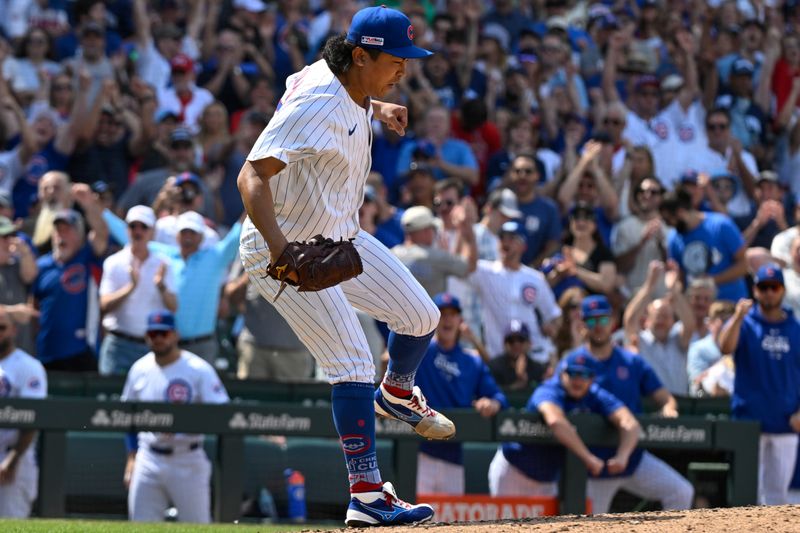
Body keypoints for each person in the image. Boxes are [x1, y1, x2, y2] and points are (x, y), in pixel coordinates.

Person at [237, 6, 452, 526]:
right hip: (285, 251)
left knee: (421, 317)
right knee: (352, 366)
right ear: (361, 55)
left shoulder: (332, 75)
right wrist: (280, 250)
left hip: (340, 235)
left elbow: (320, 94)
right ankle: (368, 497)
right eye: (396, 58)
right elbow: (250, 177)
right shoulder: (317, 101)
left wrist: (375, 105)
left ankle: (398, 392)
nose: (405, 67)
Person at [570, 295, 694, 514]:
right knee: (589, 524)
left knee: (681, 492)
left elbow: (664, 397)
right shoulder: (574, 363)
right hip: (594, 464)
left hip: (632, 458)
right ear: (582, 324)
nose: (598, 326)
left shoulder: (631, 361)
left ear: (612, 321)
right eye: (591, 321)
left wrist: (669, 408)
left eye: (603, 320)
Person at [122, 310, 229, 523]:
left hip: (187, 456)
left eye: (164, 333)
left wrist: (185, 424)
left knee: (197, 526)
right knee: (141, 526)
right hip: (148, 457)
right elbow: (128, 417)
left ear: (175, 335)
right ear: (146, 337)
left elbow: (222, 413)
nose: (159, 338)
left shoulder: (198, 369)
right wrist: (131, 458)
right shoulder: (139, 369)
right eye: (153, 334)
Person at [488, 351, 640, 499]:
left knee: (546, 526)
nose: (578, 380)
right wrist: (588, 458)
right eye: (573, 373)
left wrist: (623, 455)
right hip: (514, 471)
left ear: (593, 379)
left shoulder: (594, 394)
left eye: (585, 375)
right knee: (504, 524)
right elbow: (555, 421)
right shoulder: (549, 389)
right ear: (562, 374)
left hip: (548, 479)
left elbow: (629, 422)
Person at [718, 264, 800, 505]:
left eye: (774, 287)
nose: (769, 293)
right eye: (764, 287)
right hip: (749, 423)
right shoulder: (745, 323)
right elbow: (725, 348)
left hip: (786, 422)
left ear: (783, 290)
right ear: (755, 290)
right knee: (745, 497)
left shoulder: (795, 328)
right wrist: (736, 317)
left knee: (778, 499)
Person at [414, 293, 506, 495]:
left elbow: (498, 397)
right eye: (442, 314)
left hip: (453, 454)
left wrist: (491, 403)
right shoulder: (418, 351)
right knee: (414, 522)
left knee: (449, 523)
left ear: (460, 320)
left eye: (452, 314)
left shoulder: (471, 361)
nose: (447, 319)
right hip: (419, 452)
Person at [32, 184, 109, 371]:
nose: (61, 235)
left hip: (82, 351)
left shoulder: (86, 257)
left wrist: (88, 205)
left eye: (68, 230)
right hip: (46, 351)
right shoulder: (41, 265)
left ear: (81, 237)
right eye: (58, 230)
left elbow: (101, 234)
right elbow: (33, 307)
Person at [468, 220, 561, 363]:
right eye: (502, 238)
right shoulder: (485, 271)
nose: (506, 242)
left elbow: (554, 314)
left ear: (523, 246)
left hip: (533, 356)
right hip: (498, 356)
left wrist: (552, 327)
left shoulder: (535, 278)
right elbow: (465, 266)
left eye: (512, 238)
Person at [98, 206, 177, 375]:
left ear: (152, 232)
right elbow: (104, 305)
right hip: (118, 345)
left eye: (143, 227)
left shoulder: (164, 264)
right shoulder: (113, 262)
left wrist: (161, 286)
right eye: (133, 226)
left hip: (151, 346)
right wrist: (130, 288)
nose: (138, 231)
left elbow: (173, 307)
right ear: (127, 229)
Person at [659, 188, 748, 302]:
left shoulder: (721, 225)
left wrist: (712, 280)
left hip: (730, 304)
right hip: (697, 310)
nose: (668, 224)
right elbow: (680, 279)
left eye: (668, 220)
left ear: (681, 212)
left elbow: (744, 265)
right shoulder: (673, 238)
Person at [0, 307, 47, 518]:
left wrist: (13, 459)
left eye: (1, 328)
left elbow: (32, 417)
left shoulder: (29, 366)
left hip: (14, 454)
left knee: (11, 524)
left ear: (13, 330)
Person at [623, 261, 696, 395]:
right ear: (647, 320)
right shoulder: (640, 341)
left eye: (666, 316)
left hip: (680, 405)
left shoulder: (678, 340)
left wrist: (673, 290)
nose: (661, 321)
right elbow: (630, 320)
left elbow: (690, 324)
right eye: (657, 316)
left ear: (673, 321)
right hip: (648, 406)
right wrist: (649, 286)